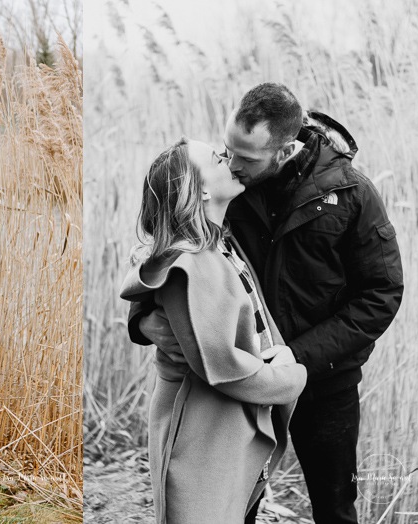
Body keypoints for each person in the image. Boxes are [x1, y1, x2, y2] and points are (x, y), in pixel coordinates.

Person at [131, 83, 404, 523]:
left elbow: (381, 294)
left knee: (334, 508)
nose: (235, 165)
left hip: (322, 379)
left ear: (285, 150)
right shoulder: (225, 184)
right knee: (234, 505)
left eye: (247, 159)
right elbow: (169, 245)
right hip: (239, 391)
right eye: (227, 150)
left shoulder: (352, 195)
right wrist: (144, 319)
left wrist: (298, 355)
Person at [120, 137, 307, 523]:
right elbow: (222, 366)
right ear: (201, 189)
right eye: (219, 158)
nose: (230, 161)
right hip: (200, 429)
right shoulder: (191, 264)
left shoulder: (220, 241)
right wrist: (291, 376)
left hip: (224, 424)